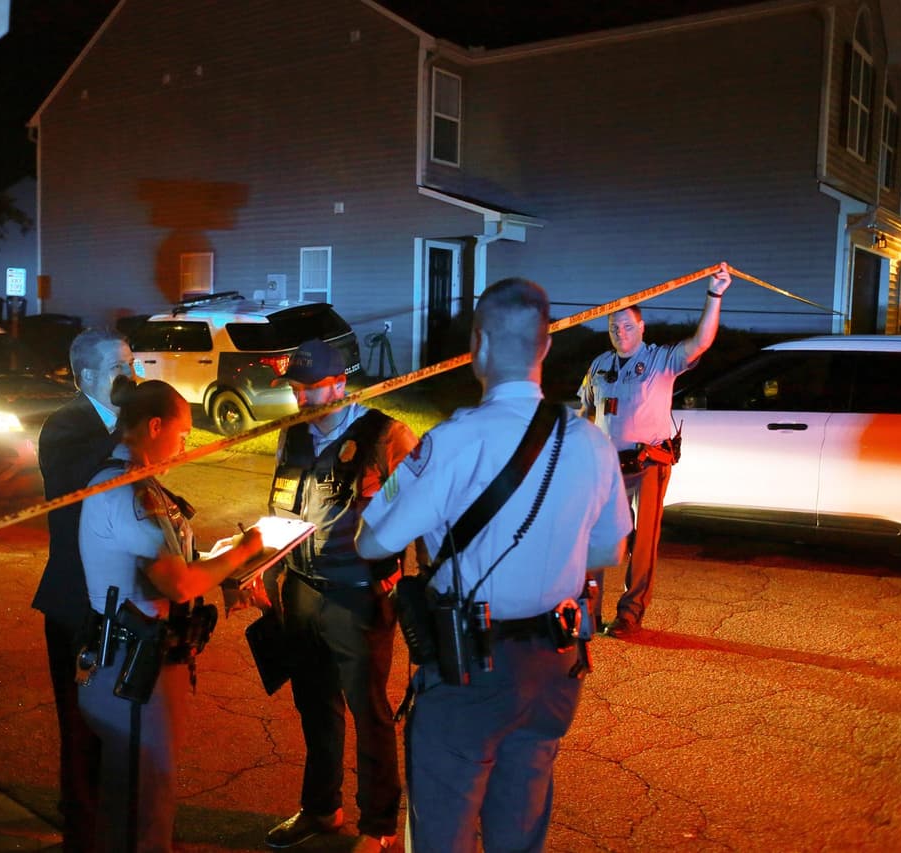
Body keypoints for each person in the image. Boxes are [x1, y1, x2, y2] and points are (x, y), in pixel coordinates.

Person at [355, 277, 631, 853]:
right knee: (520, 826)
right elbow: (609, 552)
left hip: (470, 667)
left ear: (477, 344)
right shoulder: (591, 442)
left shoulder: (455, 441)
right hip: (554, 665)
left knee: (443, 829)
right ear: (546, 346)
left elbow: (371, 542)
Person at [76, 379, 264, 852]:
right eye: (181, 434)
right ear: (155, 426)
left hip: (128, 660)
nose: (184, 445)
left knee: (136, 797)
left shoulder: (131, 481)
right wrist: (243, 551)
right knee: (145, 803)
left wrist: (218, 563)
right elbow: (177, 583)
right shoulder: (128, 491)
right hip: (134, 669)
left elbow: (176, 563)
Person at [262, 339, 417, 852]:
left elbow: (421, 509)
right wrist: (259, 572)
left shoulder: (386, 435)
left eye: (313, 388)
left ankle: (378, 826)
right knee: (314, 705)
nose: (304, 399)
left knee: (368, 711)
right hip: (302, 591)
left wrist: (404, 576)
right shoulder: (291, 435)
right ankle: (321, 808)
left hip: (359, 597)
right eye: (297, 389)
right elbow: (282, 511)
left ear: (340, 384)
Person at [577, 263, 732, 639]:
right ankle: (589, 613)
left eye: (628, 326)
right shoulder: (599, 366)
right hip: (605, 468)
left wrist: (714, 295)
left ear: (642, 327)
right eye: (614, 326)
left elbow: (701, 342)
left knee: (642, 544)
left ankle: (630, 614)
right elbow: (584, 412)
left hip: (647, 463)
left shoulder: (662, 361)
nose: (620, 332)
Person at [33, 329, 134, 851]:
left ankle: (110, 821)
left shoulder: (122, 428)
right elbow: (77, 483)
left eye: (132, 365)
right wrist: (130, 433)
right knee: (79, 725)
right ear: (88, 376)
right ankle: (81, 832)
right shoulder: (66, 426)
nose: (132, 378)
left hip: (119, 601)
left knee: (115, 723)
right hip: (76, 600)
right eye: (119, 369)